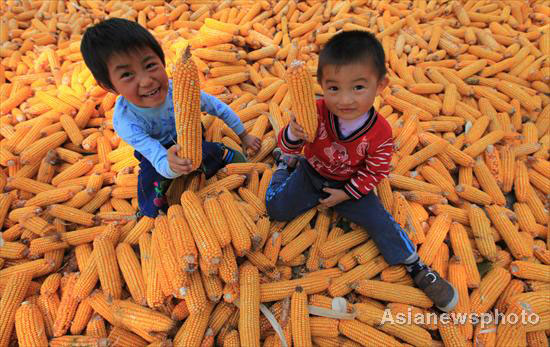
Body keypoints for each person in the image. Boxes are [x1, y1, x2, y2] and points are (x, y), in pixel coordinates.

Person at [266, 30, 458, 312]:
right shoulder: (316, 112)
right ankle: (284, 168)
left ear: (380, 85)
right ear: (321, 86)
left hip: (351, 183)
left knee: (381, 221)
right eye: (333, 89)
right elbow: (288, 143)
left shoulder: (380, 133)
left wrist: (345, 193)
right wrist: (293, 134)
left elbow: (376, 172)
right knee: (276, 208)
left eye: (358, 88)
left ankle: (416, 266)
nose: (345, 100)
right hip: (312, 172)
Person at [81, 18, 261, 218]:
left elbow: (217, 108)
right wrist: (170, 166)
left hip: (190, 136)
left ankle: (224, 154)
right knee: (148, 183)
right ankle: (152, 213)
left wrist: (244, 135)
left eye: (150, 65)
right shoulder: (126, 122)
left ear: (162, 60)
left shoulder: (179, 90)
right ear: (109, 86)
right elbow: (155, 155)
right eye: (127, 75)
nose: (147, 80)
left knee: (209, 152)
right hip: (155, 151)